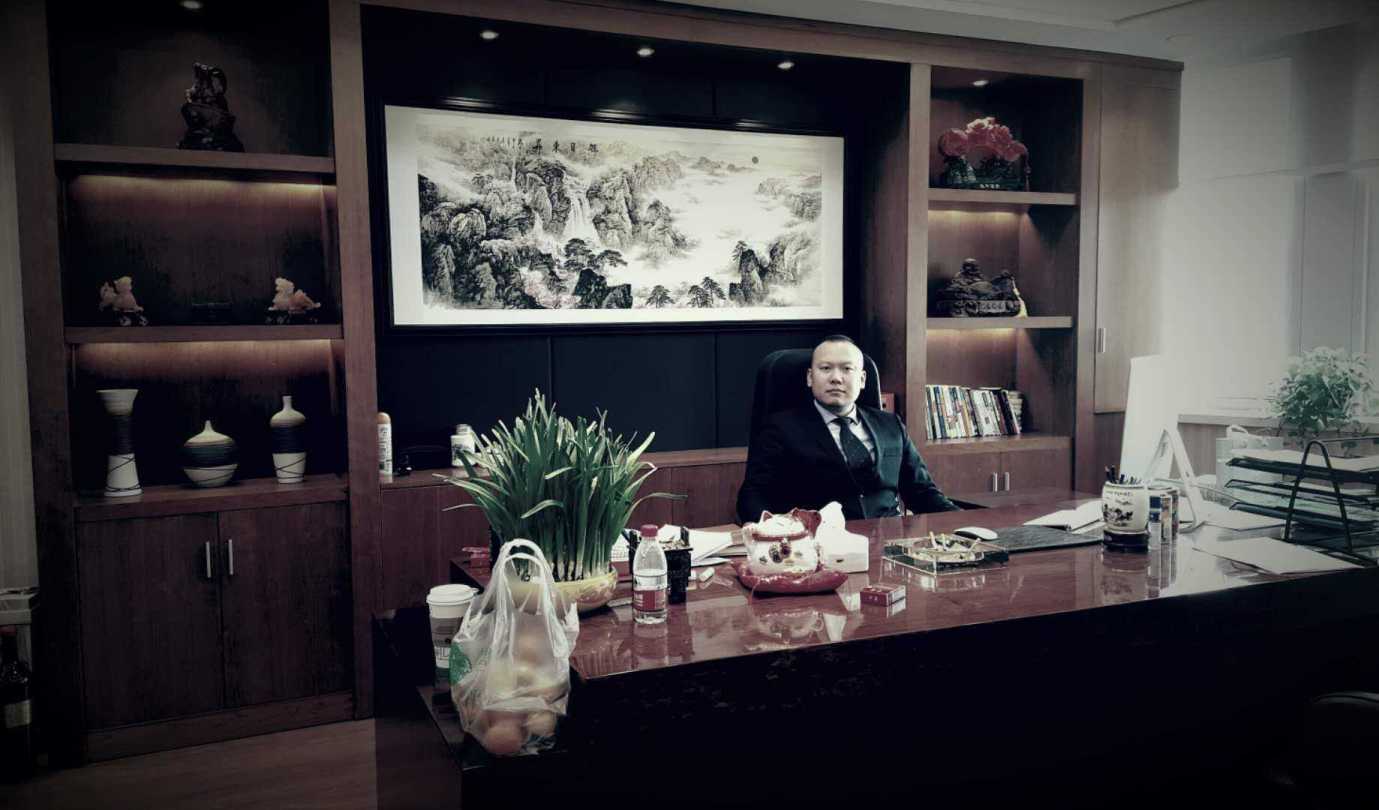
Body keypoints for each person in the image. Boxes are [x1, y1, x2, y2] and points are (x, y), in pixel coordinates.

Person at [737, 335, 959, 522]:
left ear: (862, 379)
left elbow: (922, 492)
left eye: (847, 369)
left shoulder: (890, 425)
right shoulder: (780, 429)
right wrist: (773, 531)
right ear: (810, 377)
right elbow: (753, 495)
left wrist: (964, 525)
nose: (836, 378)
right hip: (819, 545)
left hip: (889, 543)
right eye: (825, 368)